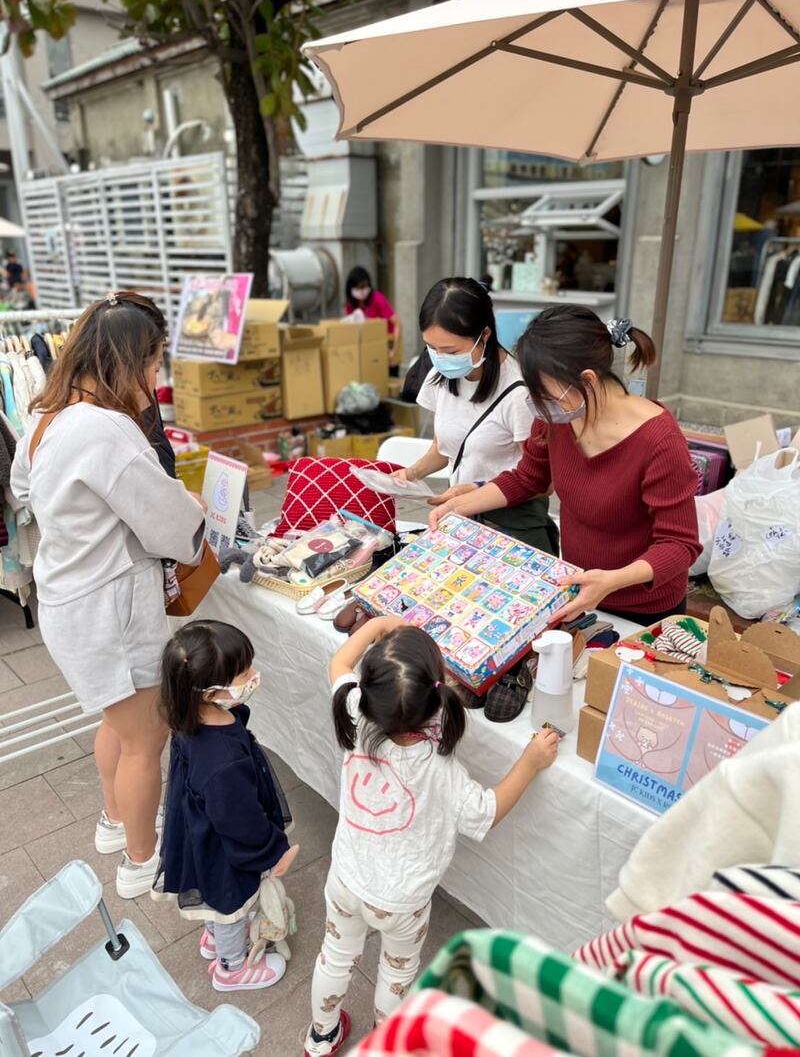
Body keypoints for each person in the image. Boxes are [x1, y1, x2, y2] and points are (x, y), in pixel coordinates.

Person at [10, 291, 207, 899]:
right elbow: (171, 526)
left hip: (69, 600)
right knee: (148, 738)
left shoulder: (49, 414)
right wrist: (195, 515)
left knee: (118, 724)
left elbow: (22, 487)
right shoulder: (107, 430)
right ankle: (143, 863)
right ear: (127, 360)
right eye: (151, 365)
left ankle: (114, 821)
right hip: (109, 608)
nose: (154, 380)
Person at [303, 617, 560, 1056]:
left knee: (335, 955)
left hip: (346, 877)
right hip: (404, 901)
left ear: (369, 691)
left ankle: (320, 1036)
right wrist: (531, 762)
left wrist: (378, 625)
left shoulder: (352, 713)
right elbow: (488, 811)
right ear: (438, 693)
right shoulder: (443, 772)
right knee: (396, 974)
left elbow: (339, 660)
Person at [429, 305, 702, 627]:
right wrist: (460, 505)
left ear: (586, 380)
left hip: (643, 609)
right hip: (577, 589)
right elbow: (529, 478)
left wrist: (612, 581)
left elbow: (679, 545)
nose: (536, 402)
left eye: (543, 391)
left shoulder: (658, 441)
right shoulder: (558, 416)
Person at [153, 620, 297, 992]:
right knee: (231, 901)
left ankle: (216, 936)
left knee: (215, 898)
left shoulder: (191, 718)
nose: (252, 675)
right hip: (223, 845)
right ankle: (231, 967)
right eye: (243, 671)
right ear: (210, 691)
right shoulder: (223, 762)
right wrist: (271, 851)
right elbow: (240, 821)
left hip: (199, 832)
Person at [393, 277, 558, 554]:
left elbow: (542, 483)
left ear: (484, 335)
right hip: (461, 521)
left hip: (512, 526)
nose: (438, 358)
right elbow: (445, 447)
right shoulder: (441, 375)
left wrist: (475, 491)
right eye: (431, 348)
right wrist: (410, 474)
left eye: (450, 351)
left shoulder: (520, 392)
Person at [344, 265, 402, 371]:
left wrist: (394, 351)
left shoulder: (377, 299)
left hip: (386, 348)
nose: (361, 291)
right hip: (365, 353)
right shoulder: (350, 306)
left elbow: (397, 323)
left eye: (364, 287)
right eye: (357, 288)